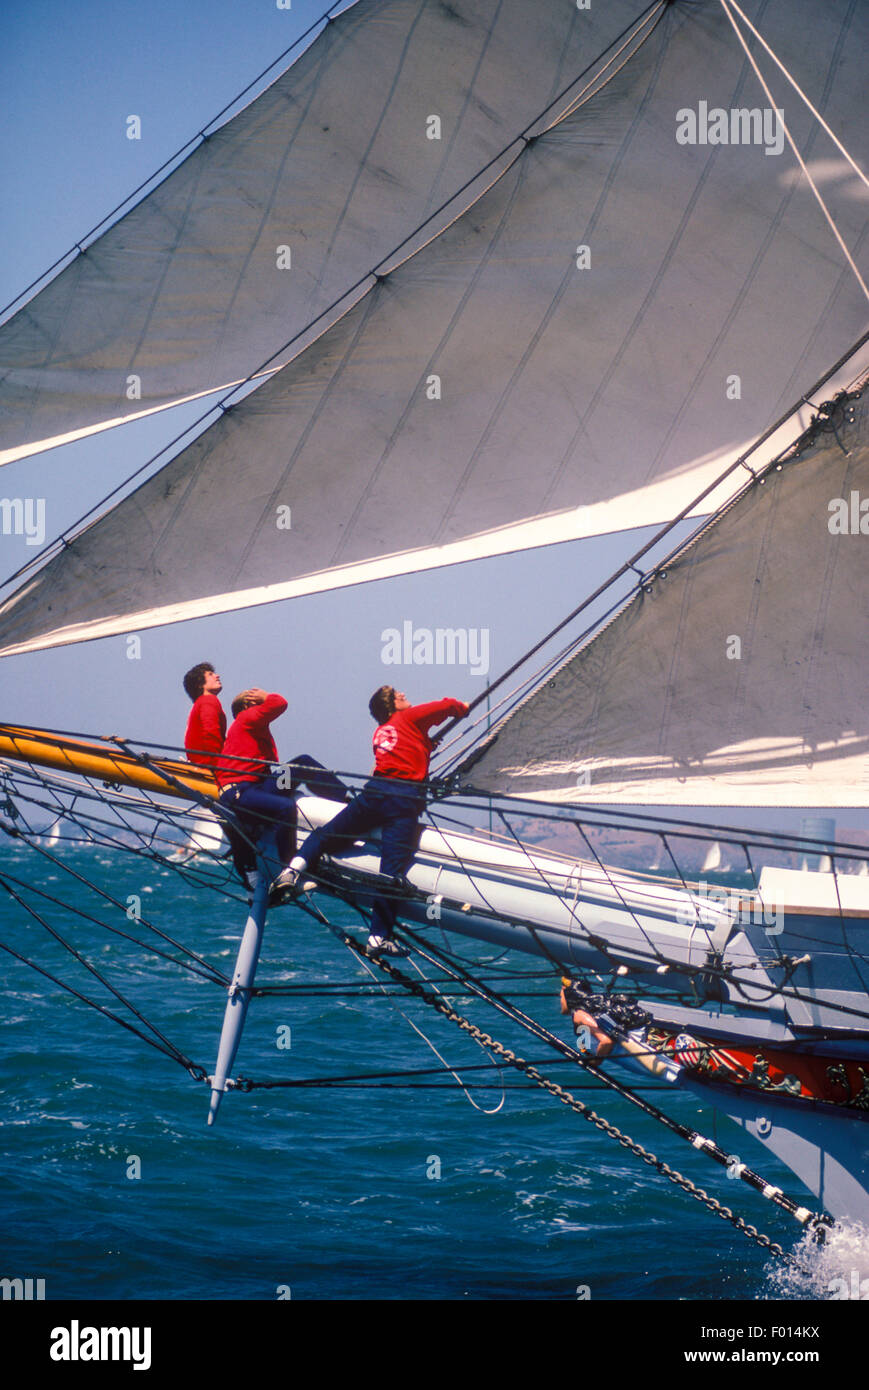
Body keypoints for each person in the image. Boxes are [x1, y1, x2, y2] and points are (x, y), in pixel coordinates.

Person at [272, 686, 469, 956]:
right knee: (391, 871)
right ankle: (378, 936)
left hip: (374, 793)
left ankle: (292, 870)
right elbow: (445, 706)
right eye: (398, 695)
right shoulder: (409, 717)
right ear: (390, 705)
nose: (404, 695)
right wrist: (461, 707)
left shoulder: (383, 730)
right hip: (403, 799)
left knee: (327, 834)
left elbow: (405, 746)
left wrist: (424, 742)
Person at [214, 688, 347, 890]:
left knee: (301, 765)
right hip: (240, 793)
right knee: (285, 807)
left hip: (260, 787)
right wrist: (264, 697)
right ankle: (289, 867)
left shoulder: (252, 726)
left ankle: (343, 799)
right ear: (247, 706)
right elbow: (279, 703)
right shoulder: (245, 718)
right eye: (256, 703)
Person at [183, 662, 226, 770]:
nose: (217, 676)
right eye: (211, 674)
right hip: (210, 765)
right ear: (200, 684)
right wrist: (219, 764)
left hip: (201, 764)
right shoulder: (208, 700)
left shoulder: (199, 704)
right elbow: (210, 732)